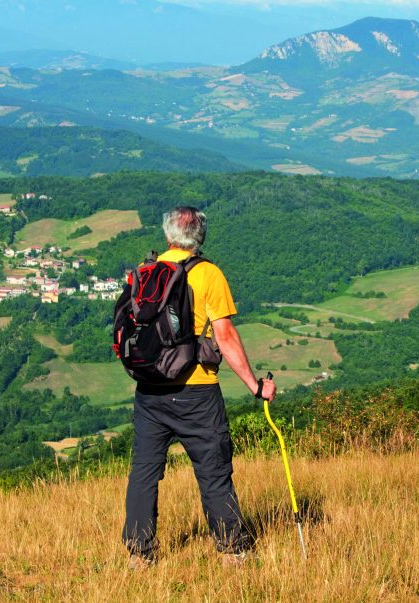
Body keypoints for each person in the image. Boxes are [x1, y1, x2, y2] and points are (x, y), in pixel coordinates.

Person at [122, 206, 276, 568]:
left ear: (168, 235)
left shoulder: (146, 271)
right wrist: (256, 386)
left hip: (150, 390)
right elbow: (224, 336)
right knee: (213, 470)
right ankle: (232, 551)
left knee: (144, 472)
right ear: (200, 237)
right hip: (197, 391)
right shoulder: (208, 274)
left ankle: (139, 556)